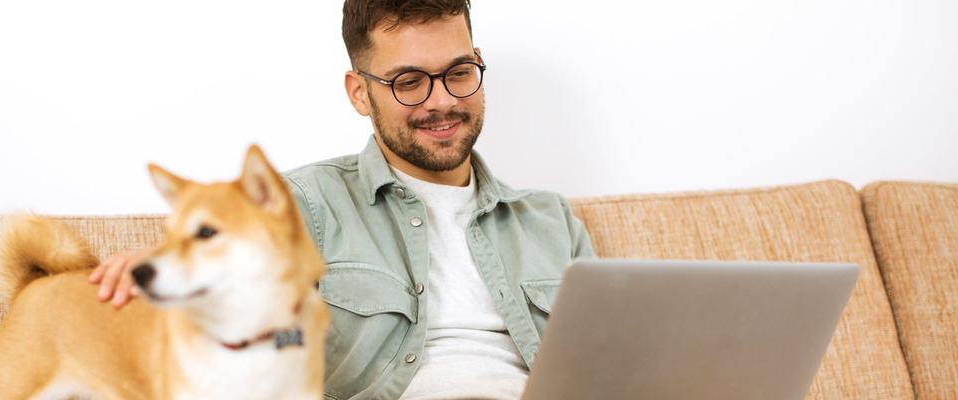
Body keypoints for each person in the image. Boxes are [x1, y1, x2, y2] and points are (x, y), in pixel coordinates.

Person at [89, 1, 596, 398]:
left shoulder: (551, 219)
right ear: (358, 92)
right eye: (409, 82)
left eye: (459, 72)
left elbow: (606, 364)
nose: (442, 100)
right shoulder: (294, 208)